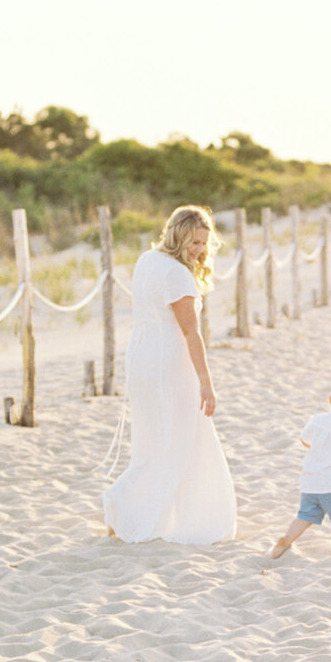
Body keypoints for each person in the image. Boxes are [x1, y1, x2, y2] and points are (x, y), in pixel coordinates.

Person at [102, 206, 237, 544]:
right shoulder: (176, 275)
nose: (200, 250)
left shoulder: (148, 260)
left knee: (152, 442)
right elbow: (191, 333)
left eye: (204, 243)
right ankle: (124, 508)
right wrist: (206, 382)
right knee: (176, 442)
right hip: (167, 364)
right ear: (177, 235)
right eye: (194, 242)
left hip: (144, 356)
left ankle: (127, 512)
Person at [268, 374, 331, 559]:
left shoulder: (317, 420)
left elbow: (304, 439)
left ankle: (285, 541)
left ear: (330, 399)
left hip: (311, 482)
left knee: (304, 516)